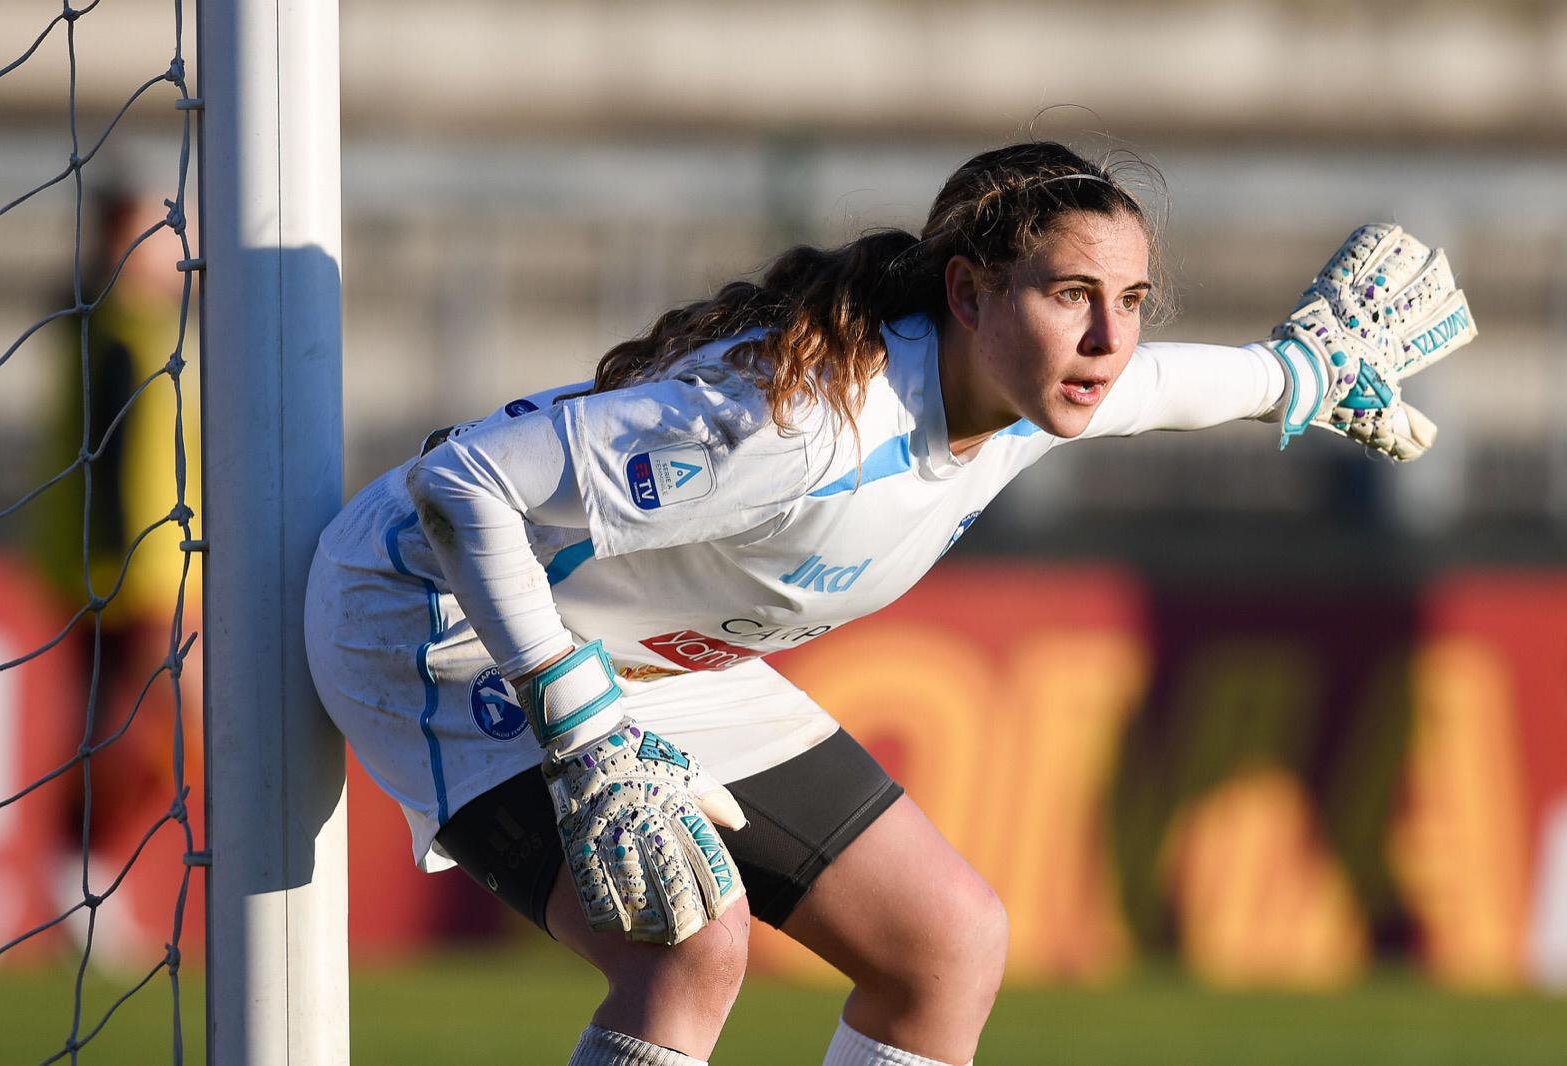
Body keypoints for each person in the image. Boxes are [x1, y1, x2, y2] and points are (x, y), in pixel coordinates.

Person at [303, 141, 1472, 1066]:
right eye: (1074, 294)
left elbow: (1167, 382)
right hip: (438, 624)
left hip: (652, 662)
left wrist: (1307, 372)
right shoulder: (800, 425)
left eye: (1131, 298)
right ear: (967, 292)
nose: (1109, 338)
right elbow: (462, 485)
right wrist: (579, 722)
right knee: (689, 953)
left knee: (945, 943)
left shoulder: (1037, 383)